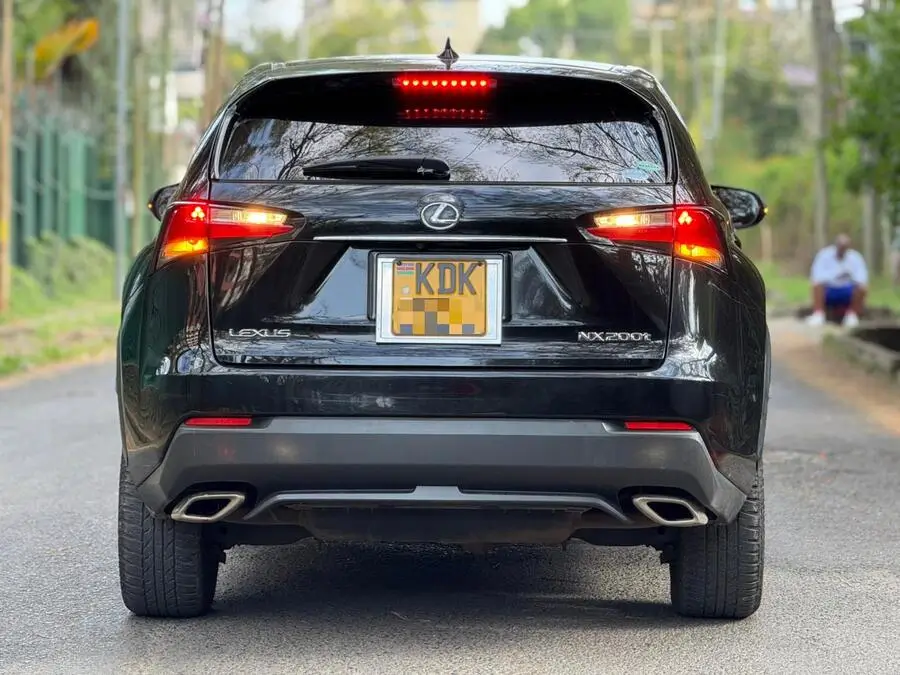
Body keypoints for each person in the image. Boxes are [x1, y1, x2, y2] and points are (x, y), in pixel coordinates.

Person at [806, 234, 868, 327]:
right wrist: (836, 275)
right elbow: (816, 276)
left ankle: (852, 316)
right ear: (836, 245)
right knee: (816, 285)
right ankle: (818, 315)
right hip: (829, 288)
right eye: (840, 247)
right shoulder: (824, 256)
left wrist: (849, 276)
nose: (842, 250)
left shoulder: (856, 258)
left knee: (862, 288)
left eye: (844, 248)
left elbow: (861, 278)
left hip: (847, 289)